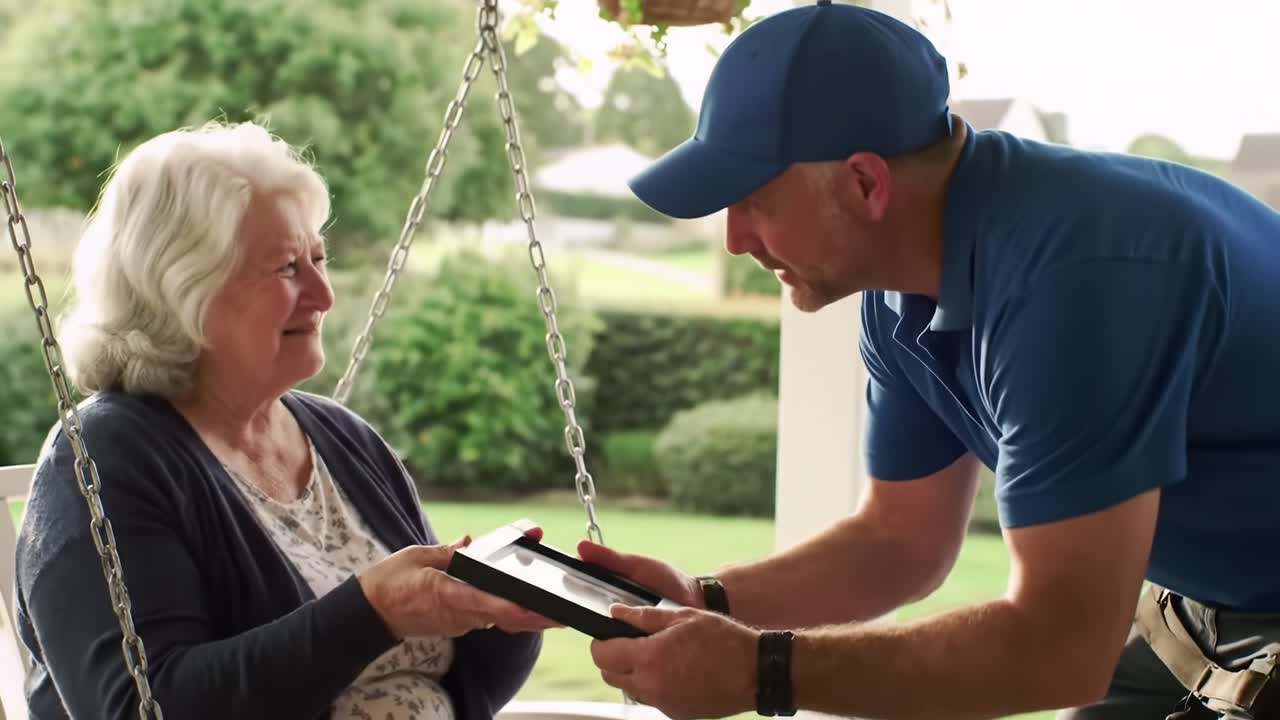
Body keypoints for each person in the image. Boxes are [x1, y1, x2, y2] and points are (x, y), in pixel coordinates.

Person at [578, 2, 1280, 719]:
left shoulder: (1077, 276)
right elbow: (899, 542)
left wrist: (762, 672)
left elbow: (1059, 650)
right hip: (1203, 617)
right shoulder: (901, 293)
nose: (733, 240)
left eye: (752, 201)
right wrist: (704, 603)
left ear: (865, 183)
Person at [14, 121, 555, 720]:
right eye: (286, 268)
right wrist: (372, 612)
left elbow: (451, 682)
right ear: (184, 290)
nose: (323, 294)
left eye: (319, 258)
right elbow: (142, 705)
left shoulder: (342, 439)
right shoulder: (105, 457)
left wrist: (500, 613)